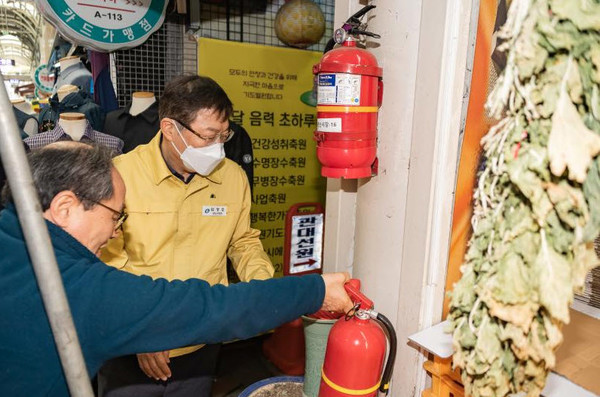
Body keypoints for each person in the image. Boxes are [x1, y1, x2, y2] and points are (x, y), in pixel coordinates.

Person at [0, 142, 353, 397]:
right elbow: (209, 307)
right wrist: (316, 291)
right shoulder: (72, 287)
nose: (115, 232)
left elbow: (242, 244)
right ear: (64, 207)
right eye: (115, 215)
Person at [98, 75, 273, 396]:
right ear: (169, 128)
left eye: (224, 135)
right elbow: (106, 263)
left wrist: (263, 290)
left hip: (200, 338)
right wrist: (141, 332)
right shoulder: (121, 176)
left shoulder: (232, 179)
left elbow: (243, 241)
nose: (218, 148)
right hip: (130, 346)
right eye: (208, 137)